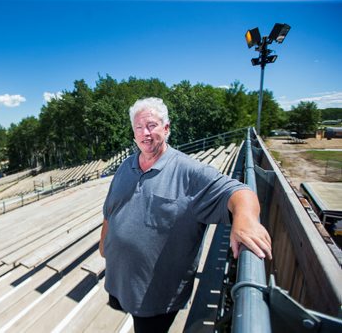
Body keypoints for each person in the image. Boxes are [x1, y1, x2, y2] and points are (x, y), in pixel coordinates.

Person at [99, 97, 272, 333]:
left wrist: (246, 220)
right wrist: (104, 245)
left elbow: (240, 192)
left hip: (155, 296)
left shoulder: (189, 171)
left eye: (151, 125)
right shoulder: (125, 166)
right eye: (139, 128)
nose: (145, 133)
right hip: (120, 280)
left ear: (167, 128)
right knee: (122, 307)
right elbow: (110, 211)